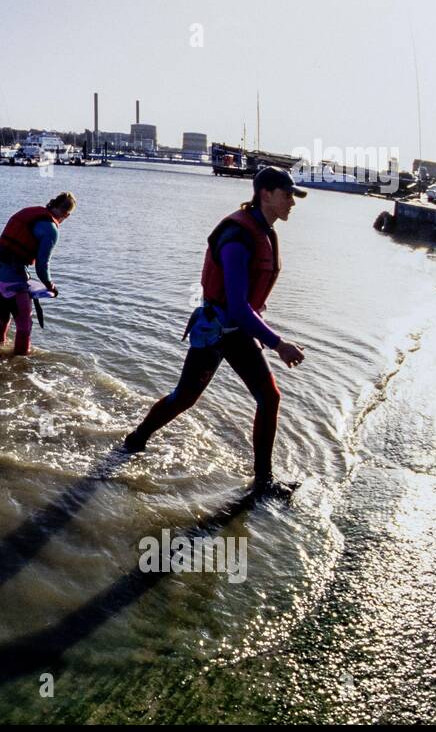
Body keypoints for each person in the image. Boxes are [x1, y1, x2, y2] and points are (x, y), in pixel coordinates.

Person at [122, 167, 307, 496]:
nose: (292, 202)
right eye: (287, 194)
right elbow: (236, 307)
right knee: (186, 398)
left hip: (239, 331)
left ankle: (263, 481)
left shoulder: (265, 232)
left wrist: (266, 335)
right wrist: (279, 344)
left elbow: (245, 308)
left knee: (269, 397)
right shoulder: (237, 236)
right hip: (218, 329)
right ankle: (135, 441)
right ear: (265, 193)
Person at [0, 192, 75, 355]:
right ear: (66, 215)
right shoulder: (51, 229)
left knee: (2, 319)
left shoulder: (30, 211)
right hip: (11, 279)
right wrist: (49, 284)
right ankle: (20, 367)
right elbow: (42, 265)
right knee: (24, 326)